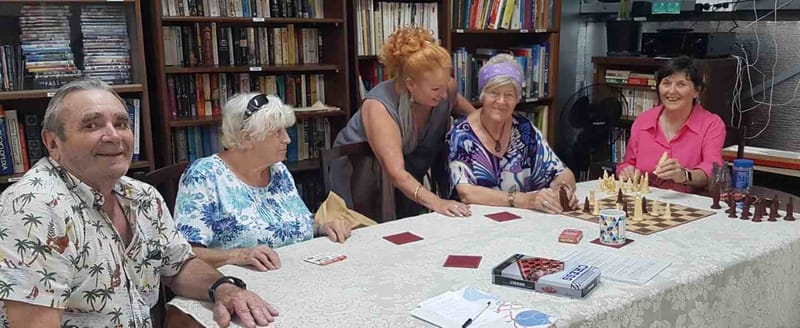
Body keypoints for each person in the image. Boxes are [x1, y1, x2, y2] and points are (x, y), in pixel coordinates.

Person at [0, 79, 276, 328]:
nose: (114, 136)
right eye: (92, 125)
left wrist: (224, 289)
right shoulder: (32, 208)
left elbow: (178, 265)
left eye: (121, 124)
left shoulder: (143, 197)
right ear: (52, 143)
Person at [173, 93, 351, 272]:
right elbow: (185, 254)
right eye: (276, 132)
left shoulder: (277, 169)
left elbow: (292, 223)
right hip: (242, 287)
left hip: (295, 273)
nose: (287, 139)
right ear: (246, 138)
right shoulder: (204, 176)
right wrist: (239, 255)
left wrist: (322, 227)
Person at [334, 27, 476, 219]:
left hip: (407, 177)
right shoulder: (379, 106)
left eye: (446, 85)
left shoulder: (445, 91)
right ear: (410, 84)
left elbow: (467, 112)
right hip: (359, 176)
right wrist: (438, 203)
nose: (443, 95)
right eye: (435, 89)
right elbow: (396, 173)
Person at [447, 54, 578, 213]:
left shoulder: (524, 129)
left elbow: (564, 173)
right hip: (473, 222)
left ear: (517, 99)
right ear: (482, 95)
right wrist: (522, 200)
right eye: (494, 93)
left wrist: (562, 190)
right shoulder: (462, 134)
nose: (501, 101)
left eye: (509, 95)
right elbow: (466, 192)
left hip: (520, 222)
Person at [616, 56, 725, 193]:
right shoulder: (643, 120)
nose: (671, 91)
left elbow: (713, 170)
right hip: (645, 200)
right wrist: (626, 171)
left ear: (697, 91)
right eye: (666, 83)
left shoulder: (712, 124)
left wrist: (684, 175)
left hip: (688, 204)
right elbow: (627, 163)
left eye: (681, 84)